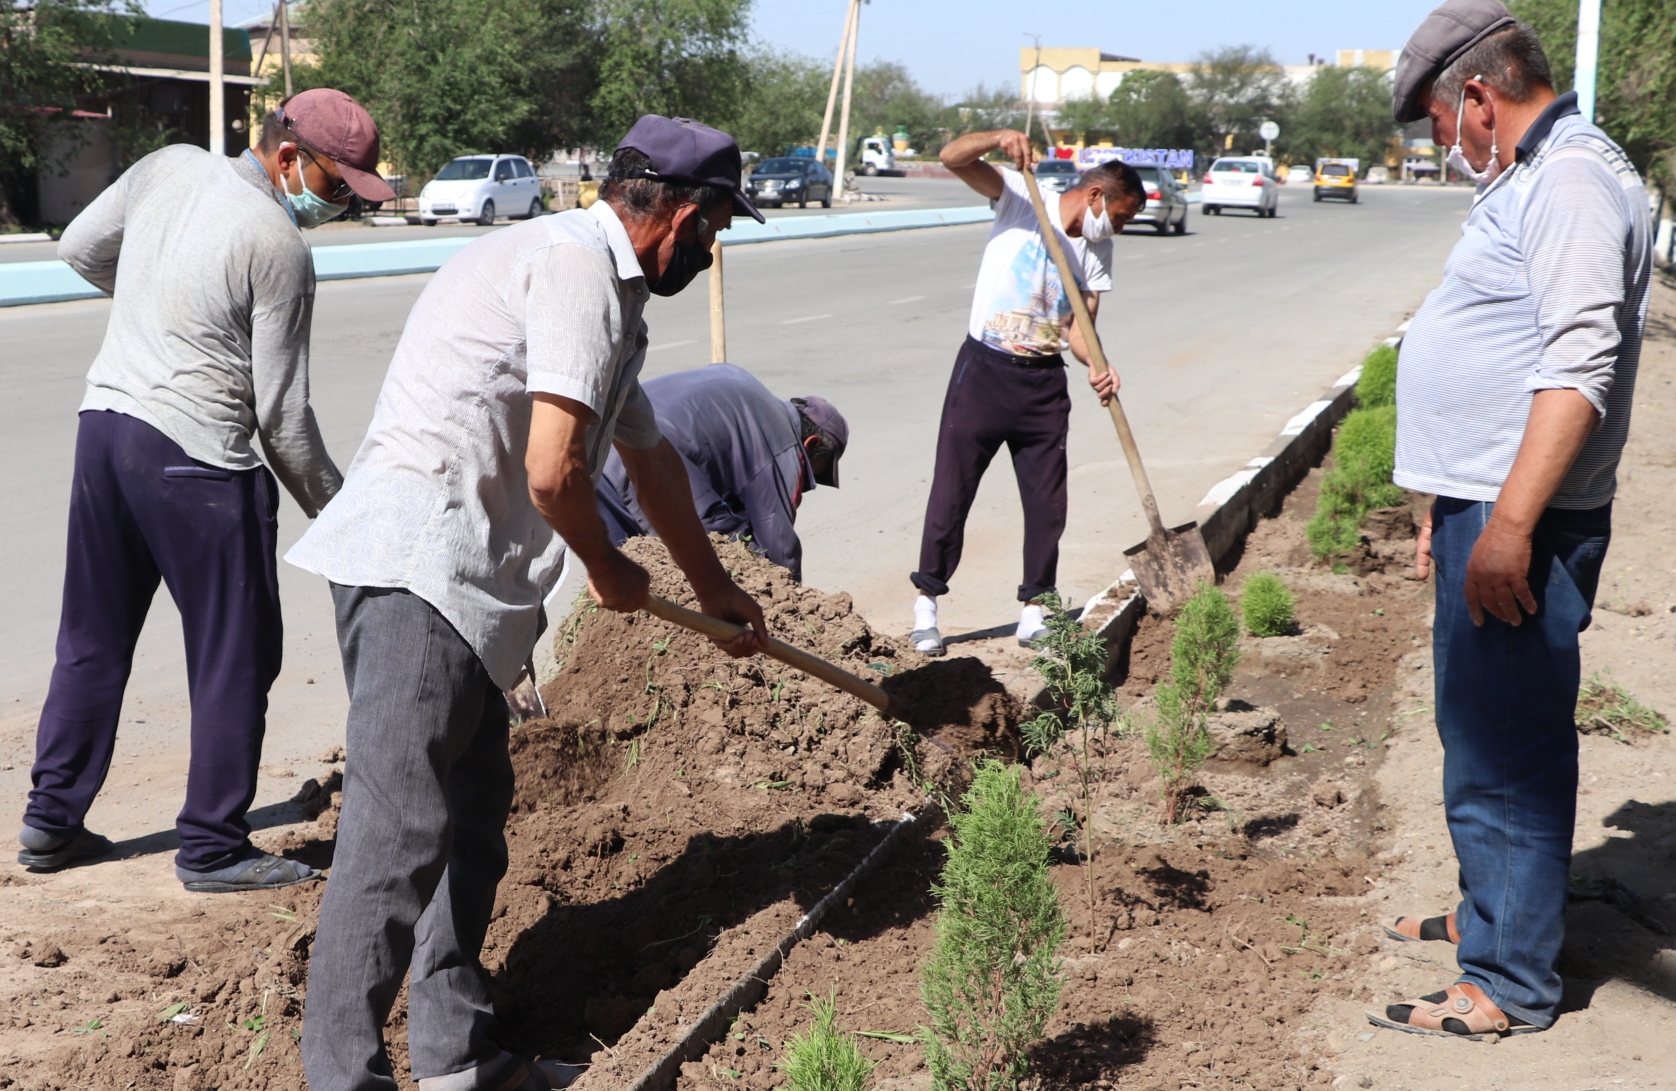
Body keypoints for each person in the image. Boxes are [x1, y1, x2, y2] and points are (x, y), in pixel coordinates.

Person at [286, 115, 769, 1091]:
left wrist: (717, 592)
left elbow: (652, 458)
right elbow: (555, 474)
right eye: (715, 227)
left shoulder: (603, 291)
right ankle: (341, 1075)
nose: (714, 247)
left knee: (467, 818)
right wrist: (608, 565)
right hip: (420, 574)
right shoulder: (574, 272)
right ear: (680, 212)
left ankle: (459, 1057)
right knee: (396, 835)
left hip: (457, 586)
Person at [17, 89, 395, 891]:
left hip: (106, 426)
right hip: (197, 461)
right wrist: (350, 522)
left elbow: (79, 248)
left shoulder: (168, 168)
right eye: (336, 187)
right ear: (288, 157)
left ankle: (51, 820)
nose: (337, 206)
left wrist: (158, 305)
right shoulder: (277, 246)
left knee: (92, 636)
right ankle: (214, 846)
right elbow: (283, 422)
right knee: (236, 653)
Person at [1371, 0, 1651, 1039]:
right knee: (1479, 730)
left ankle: (1507, 981)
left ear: (1479, 98)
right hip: (1484, 501)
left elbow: (1577, 366)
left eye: (1441, 123)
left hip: (1516, 517)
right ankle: (1491, 913)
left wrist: (1503, 527)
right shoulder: (1545, 171)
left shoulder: (1570, 177)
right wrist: (1447, 502)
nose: (1443, 146)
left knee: (1504, 747)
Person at [907, 131, 1142, 654]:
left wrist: (1098, 365)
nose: (1119, 229)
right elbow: (951, 157)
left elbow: (1079, 328)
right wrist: (999, 137)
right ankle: (926, 606)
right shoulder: (1018, 193)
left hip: (1043, 384)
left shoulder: (1097, 249)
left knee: (1046, 503)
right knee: (952, 491)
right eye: (1121, 216)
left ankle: (1035, 610)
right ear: (1097, 195)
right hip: (984, 371)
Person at [594, 363, 848, 581]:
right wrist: (790, 605)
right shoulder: (785, 445)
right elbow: (778, 544)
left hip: (597, 454)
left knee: (628, 581)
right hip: (645, 455)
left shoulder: (742, 380)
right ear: (811, 443)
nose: (806, 484)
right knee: (729, 554)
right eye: (815, 474)